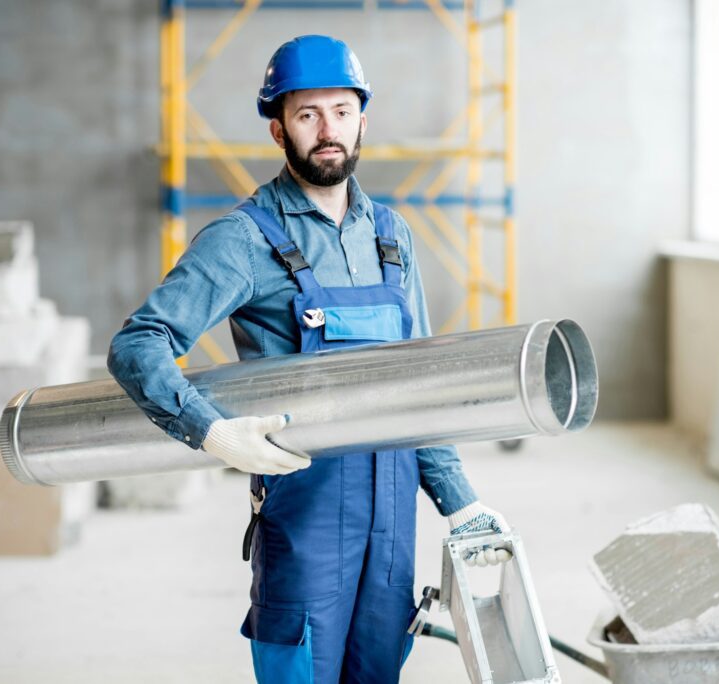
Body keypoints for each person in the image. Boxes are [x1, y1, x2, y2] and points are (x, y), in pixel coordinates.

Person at [108, 35, 509, 684]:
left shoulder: (392, 236)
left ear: (362, 120)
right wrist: (208, 429)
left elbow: (419, 389)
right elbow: (138, 342)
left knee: (379, 667)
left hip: (393, 515)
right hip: (307, 515)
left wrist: (459, 503)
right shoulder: (244, 239)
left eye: (341, 112)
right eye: (307, 115)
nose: (328, 131)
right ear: (277, 128)